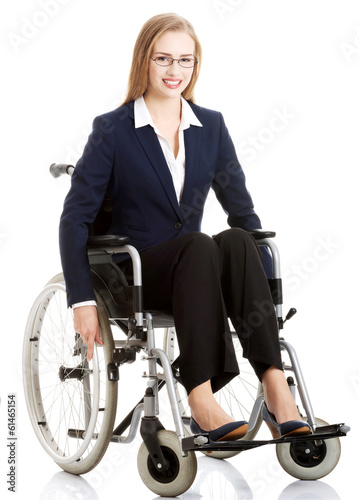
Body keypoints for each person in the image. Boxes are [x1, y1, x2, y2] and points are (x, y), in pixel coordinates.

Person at [59, 13, 310, 442]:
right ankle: (200, 396)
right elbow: (74, 219)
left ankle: (274, 385)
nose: (175, 71)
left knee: (236, 238)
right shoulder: (114, 130)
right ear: (144, 61)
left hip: (198, 268)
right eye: (163, 59)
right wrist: (81, 300)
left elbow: (243, 214)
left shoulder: (209, 126)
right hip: (135, 273)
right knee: (197, 244)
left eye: (185, 61)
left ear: (196, 66)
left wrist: (267, 289)